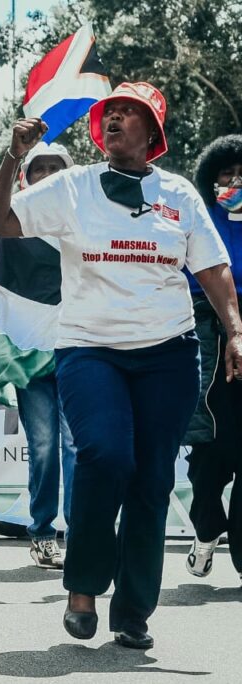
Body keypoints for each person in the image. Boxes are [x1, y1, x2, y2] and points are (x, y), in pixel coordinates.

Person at [0, 82, 242, 650]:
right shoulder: (69, 188)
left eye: (130, 113)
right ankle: (82, 586)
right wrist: (12, 157)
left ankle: (133, 612)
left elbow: (213, 269)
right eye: (110, 112)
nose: (116, 119)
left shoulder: (179, 195)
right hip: (89, 349)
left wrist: (235, 331)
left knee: (152, 480)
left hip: (168, 355)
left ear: (152, 134)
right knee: (104, 455)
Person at [0, 142, 77, 570]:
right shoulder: (8, 230)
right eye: (37, 168)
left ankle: (81, 533)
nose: (45, 175)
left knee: (79, 447)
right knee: (43, 448)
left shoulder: (87, 223)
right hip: (31, 358)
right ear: (26, 177)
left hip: (80, 353)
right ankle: (42, 532)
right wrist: (3, 350)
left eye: (54, 168)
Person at [182, 134, 242, 584]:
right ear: (211, 177)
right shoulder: (199, 220)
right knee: (210, 452)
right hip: (206, 335)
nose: (235, 181)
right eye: (227, 173)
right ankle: (206, 528)